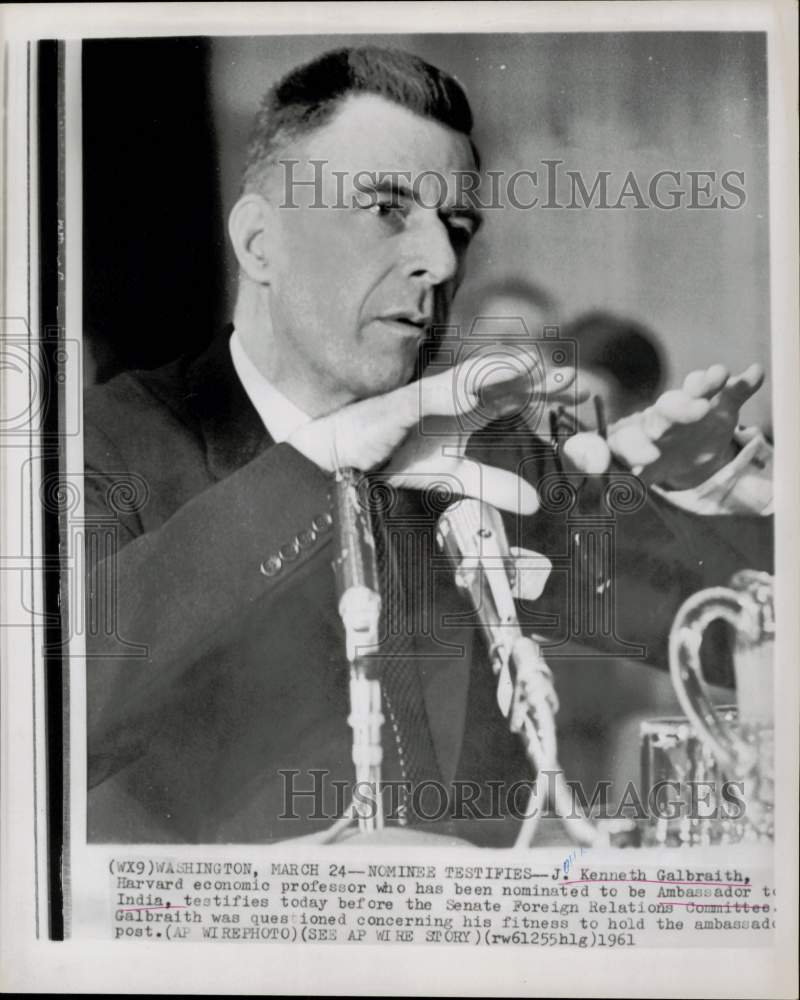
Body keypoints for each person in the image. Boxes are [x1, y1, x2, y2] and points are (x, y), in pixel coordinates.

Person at [84, 46, 772, 845]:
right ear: (259, 242)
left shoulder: (485, 447)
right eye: (386, 209)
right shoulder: (111, 443)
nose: (442, 261)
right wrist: (319, 467)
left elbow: (725, 635)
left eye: (457, 227)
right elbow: (50, 707)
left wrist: (709, 498)